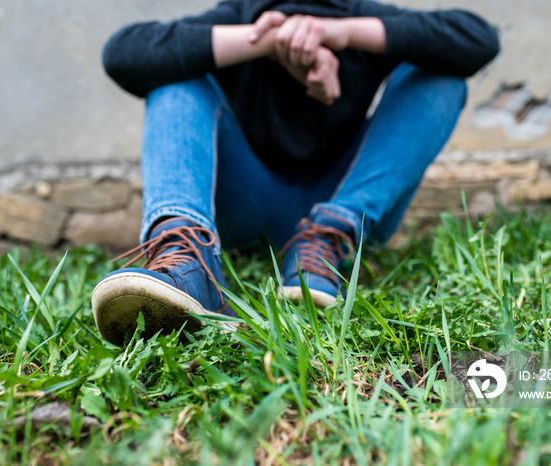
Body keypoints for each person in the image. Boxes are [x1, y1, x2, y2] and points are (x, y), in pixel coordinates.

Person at [92, 0, 499, 346]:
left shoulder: (355, 14)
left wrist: (341, 33)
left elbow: (478, 39)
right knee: (174, 81)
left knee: (441, 77)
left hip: (347, 209)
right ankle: (190, 264)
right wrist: (262, 41)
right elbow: (123, 53)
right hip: (248, 206)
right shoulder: (238, 16)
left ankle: (326, 239)